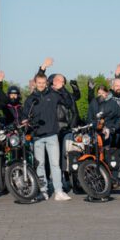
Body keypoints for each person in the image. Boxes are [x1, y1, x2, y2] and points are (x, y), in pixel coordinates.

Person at [21, 72, 71, 201]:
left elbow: (68, 103)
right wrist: (24, 121)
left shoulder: (53, 95)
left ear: (46, 83)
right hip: (37, 136)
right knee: (40, 165)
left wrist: (62, 89)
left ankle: (59, 191)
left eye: (43, 83)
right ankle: (43, 192)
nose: (41, 85)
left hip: (52, 135)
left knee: (55, 165)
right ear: (35, 83)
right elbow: (24, 115)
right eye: (39, 83)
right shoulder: (30, 99)